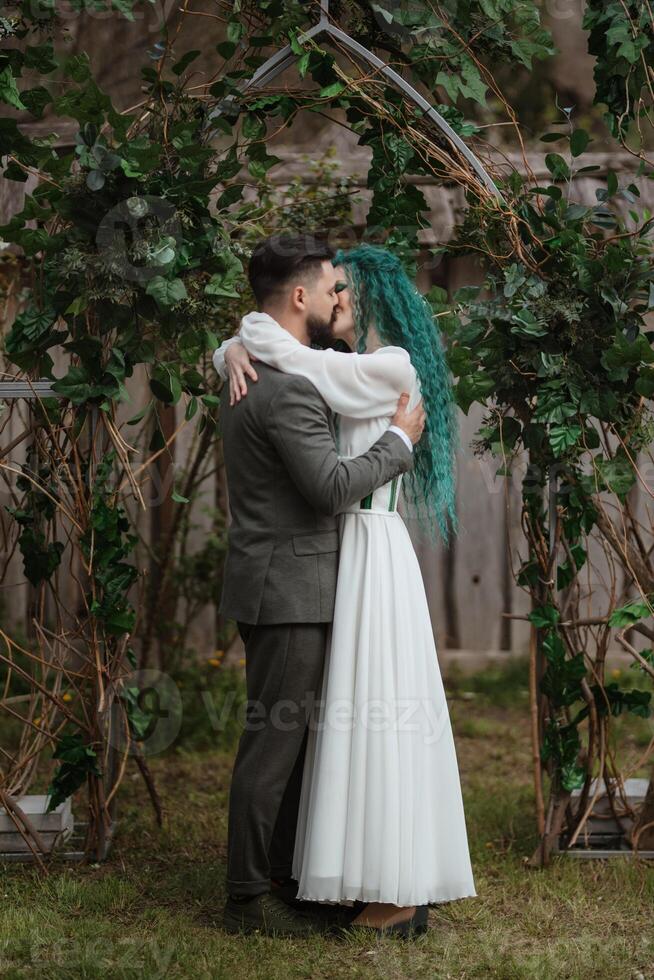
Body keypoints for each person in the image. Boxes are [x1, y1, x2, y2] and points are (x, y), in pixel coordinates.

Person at [214, 242, 477, 938]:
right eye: (330, 289)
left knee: (329, 733)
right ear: (303, 298)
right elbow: (328, 482)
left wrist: (239, 341)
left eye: (345, 291)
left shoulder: (353, 369)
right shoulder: (291, 381)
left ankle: (301, 877)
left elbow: (303, 363)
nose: (337, 300)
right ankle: (252, 895)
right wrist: (235, 344)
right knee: (281, 743)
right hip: (295, 582)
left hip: (340, 569)